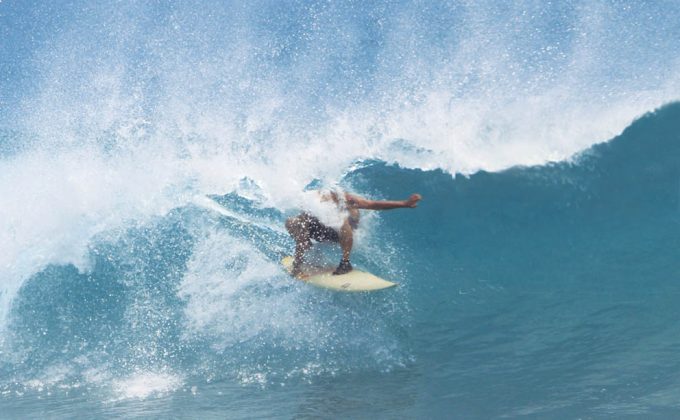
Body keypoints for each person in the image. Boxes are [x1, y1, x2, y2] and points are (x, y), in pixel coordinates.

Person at [285, 190, 422, 276]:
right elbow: (302, 226)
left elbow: (373, 205)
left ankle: (345, 263)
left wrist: (404, 203)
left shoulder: (346, 199)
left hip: (341, 235)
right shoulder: (312, 200)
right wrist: (297, 263)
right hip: (320, 232)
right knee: (292, 221)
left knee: (342, 220)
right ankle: (301, 259)